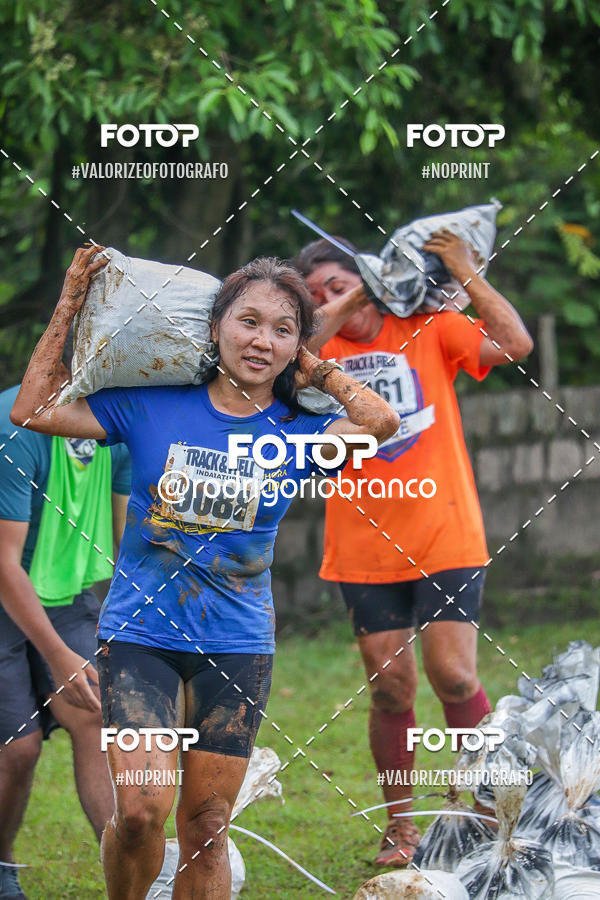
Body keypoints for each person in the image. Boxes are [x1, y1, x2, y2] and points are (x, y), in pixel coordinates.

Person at [10, 245, 399, 899]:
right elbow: (34, 408)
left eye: (282, 331)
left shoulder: (299, 431)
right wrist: (72, 298)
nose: (262, 341)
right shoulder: (153, 405)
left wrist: (314, 369)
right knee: (138, 812)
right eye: (249, 321)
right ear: (216, 326)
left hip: (236, 644)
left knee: (208, 825)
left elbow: (379, 421)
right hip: (142, 637)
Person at [294, 229, 533, 867]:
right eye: (314, 295)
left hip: (446, 533)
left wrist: (463, 270)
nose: (327, 301)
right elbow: (294, 355)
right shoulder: (317, 356)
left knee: (454, 675)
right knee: (391, 691)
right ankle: (401, 828)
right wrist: (345, 301)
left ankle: (487, 808)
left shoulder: (430, 324)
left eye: (337, 285)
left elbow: (515, 344)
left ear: (370, 273)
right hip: (362, 546)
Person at [0, 360, 130, 899]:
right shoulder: (16, 426)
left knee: (94, 712)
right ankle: (1, 864)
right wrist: (57, 656)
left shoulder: (120, 426)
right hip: (4, 583)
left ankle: (131, 871)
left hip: (63, 589)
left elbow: (128, 544)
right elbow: (4, 562)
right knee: (18, 748)